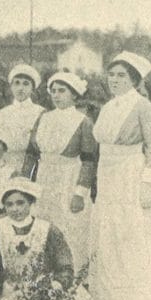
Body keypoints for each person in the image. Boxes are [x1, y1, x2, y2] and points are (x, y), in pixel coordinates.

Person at [89, 53, 151, 300]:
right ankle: (107, 295)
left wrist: (146, 182)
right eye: (111, 74)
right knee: (107, 233)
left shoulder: (143, 107)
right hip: (108, 175)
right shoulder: (107, 107)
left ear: (134, 79)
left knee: (130, 234)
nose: (114, 80)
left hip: (130, 175)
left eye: (121, 75)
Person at [0, 178, 114, 300]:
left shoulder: (47, 229)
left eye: (20, 203)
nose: (15, 209)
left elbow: (65, 266)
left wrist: (55, 286)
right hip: (14, 289)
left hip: (47, 287)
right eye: (9, 204)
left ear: (31, 203)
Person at [22, 71, 96, 272]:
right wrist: (24, 185)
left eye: (62, 91)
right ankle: (42, 272)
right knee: (42, 223)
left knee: (69, 225)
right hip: (44, 178)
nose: (56, 95)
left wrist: (79, 194)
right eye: (53, 91)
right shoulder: (43, 117)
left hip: (69, 178)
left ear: (74, 94)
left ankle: (71, 274)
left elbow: (89, 160)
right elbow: (31, 154)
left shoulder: (83, 122)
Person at [0, 64, 45, 173]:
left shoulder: (41, 113)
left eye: (26, 84)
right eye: (16, 83)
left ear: (33, 88)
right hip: (5, 165)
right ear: (11, 86)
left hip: (33, 166)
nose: (20, 88)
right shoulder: (1, 114)